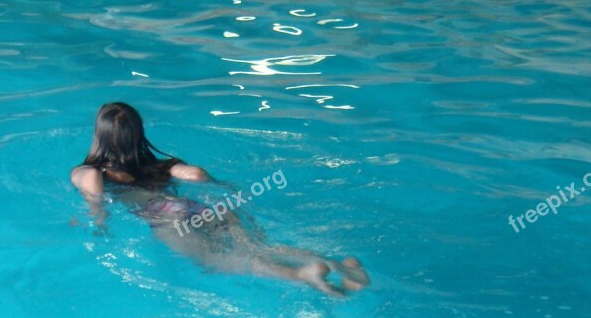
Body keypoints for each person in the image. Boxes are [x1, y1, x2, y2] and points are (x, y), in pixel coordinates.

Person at [71, 101, 370, 295]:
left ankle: (301, 274)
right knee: (260, 246)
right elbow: (197, 175)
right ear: (139, 135)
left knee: (219, 260)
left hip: (168, 217)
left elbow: (94, 193)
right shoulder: (158, 166)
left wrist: (97, 222)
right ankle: (340, 266)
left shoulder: (91, 171)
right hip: (205, 207)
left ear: (100, 136)